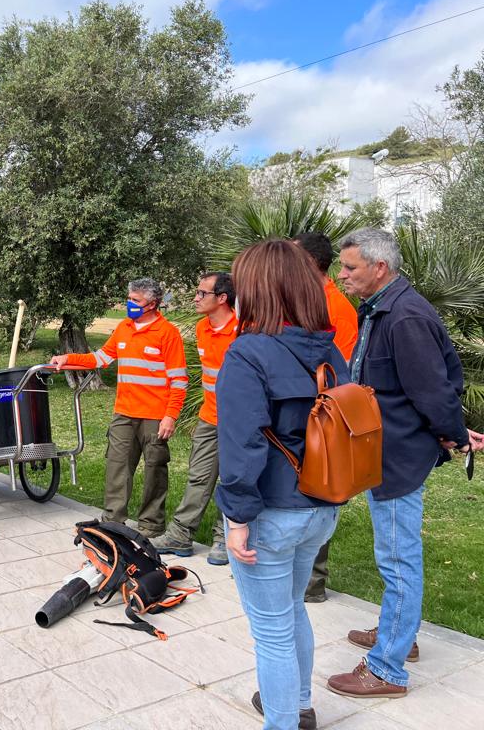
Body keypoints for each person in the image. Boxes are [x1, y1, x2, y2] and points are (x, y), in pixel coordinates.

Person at [326, 228, 484, 699]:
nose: (342, 275)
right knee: (394, 555)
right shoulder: (386, 306)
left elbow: (432, 390)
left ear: (380, 267)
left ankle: (387, 668)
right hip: (386, 450)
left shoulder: (405, 316)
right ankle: (400, 634)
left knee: (398, 559)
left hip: (398, 457)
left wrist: (455, 435)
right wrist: (452, 431)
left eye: (350, 267)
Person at [215, 239, 349, 730]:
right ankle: (300, 704)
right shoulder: (331, 348)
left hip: (272, 510)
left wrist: (236, 519)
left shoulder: (248, 353)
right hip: (320, 506)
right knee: (292, 611)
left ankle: (284, 720)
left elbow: (242, 445)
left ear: (258, 290)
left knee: (271, 631)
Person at [51, 278, 187, 534]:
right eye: (129, 298)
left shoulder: (167, 333)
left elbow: (179, 379)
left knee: (154, 471)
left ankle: (151, 526)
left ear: (153, 304)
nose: (130, 304)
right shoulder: (124, 327)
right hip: (124, 413)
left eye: (136, 300)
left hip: (155, 417)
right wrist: (67, 358)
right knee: (117, 466)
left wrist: (171, 416)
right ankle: (113, 523)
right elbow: (100, 358)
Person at [150, 272, 237, 565]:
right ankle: (180, 535)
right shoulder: (202, 328)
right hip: (209, 417)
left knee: (232, 480)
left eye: (202, 293)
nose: (196, 298)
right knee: (198, 476)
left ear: (222, 298)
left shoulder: (244, 331)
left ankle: (224, 538)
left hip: (238, 422)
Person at [294, 231, 359, 603]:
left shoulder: (336, 308)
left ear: (311, 263)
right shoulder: (306, 300)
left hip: (322, 416)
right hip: (299, 413)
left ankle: (312, 582)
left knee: (320, 491)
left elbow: (342, 371)